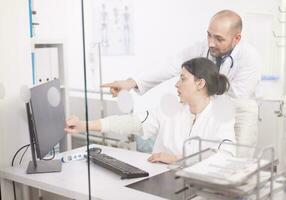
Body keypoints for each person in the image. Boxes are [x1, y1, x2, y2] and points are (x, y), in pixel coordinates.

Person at [101, 10, 261, 155]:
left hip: (239, 111)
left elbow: (234, 96)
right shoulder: (204, 47)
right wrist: (131, 82)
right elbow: (172, 65)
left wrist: (194, 100)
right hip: (209, 108)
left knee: (236, 163)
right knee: (204, 163)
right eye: (209, 35)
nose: (211, 43)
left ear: (236, 38)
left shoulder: (249, 57)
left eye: (219, 39)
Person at [65, 57, 236, 164]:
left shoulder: (221, 116)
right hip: (162, 179)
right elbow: (132, 123)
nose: (176, 84)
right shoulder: (171, 109)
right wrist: (84, 125)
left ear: (200, 83)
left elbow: (226, 156)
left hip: (197, 187)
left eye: (183, 79)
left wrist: (177, 159)